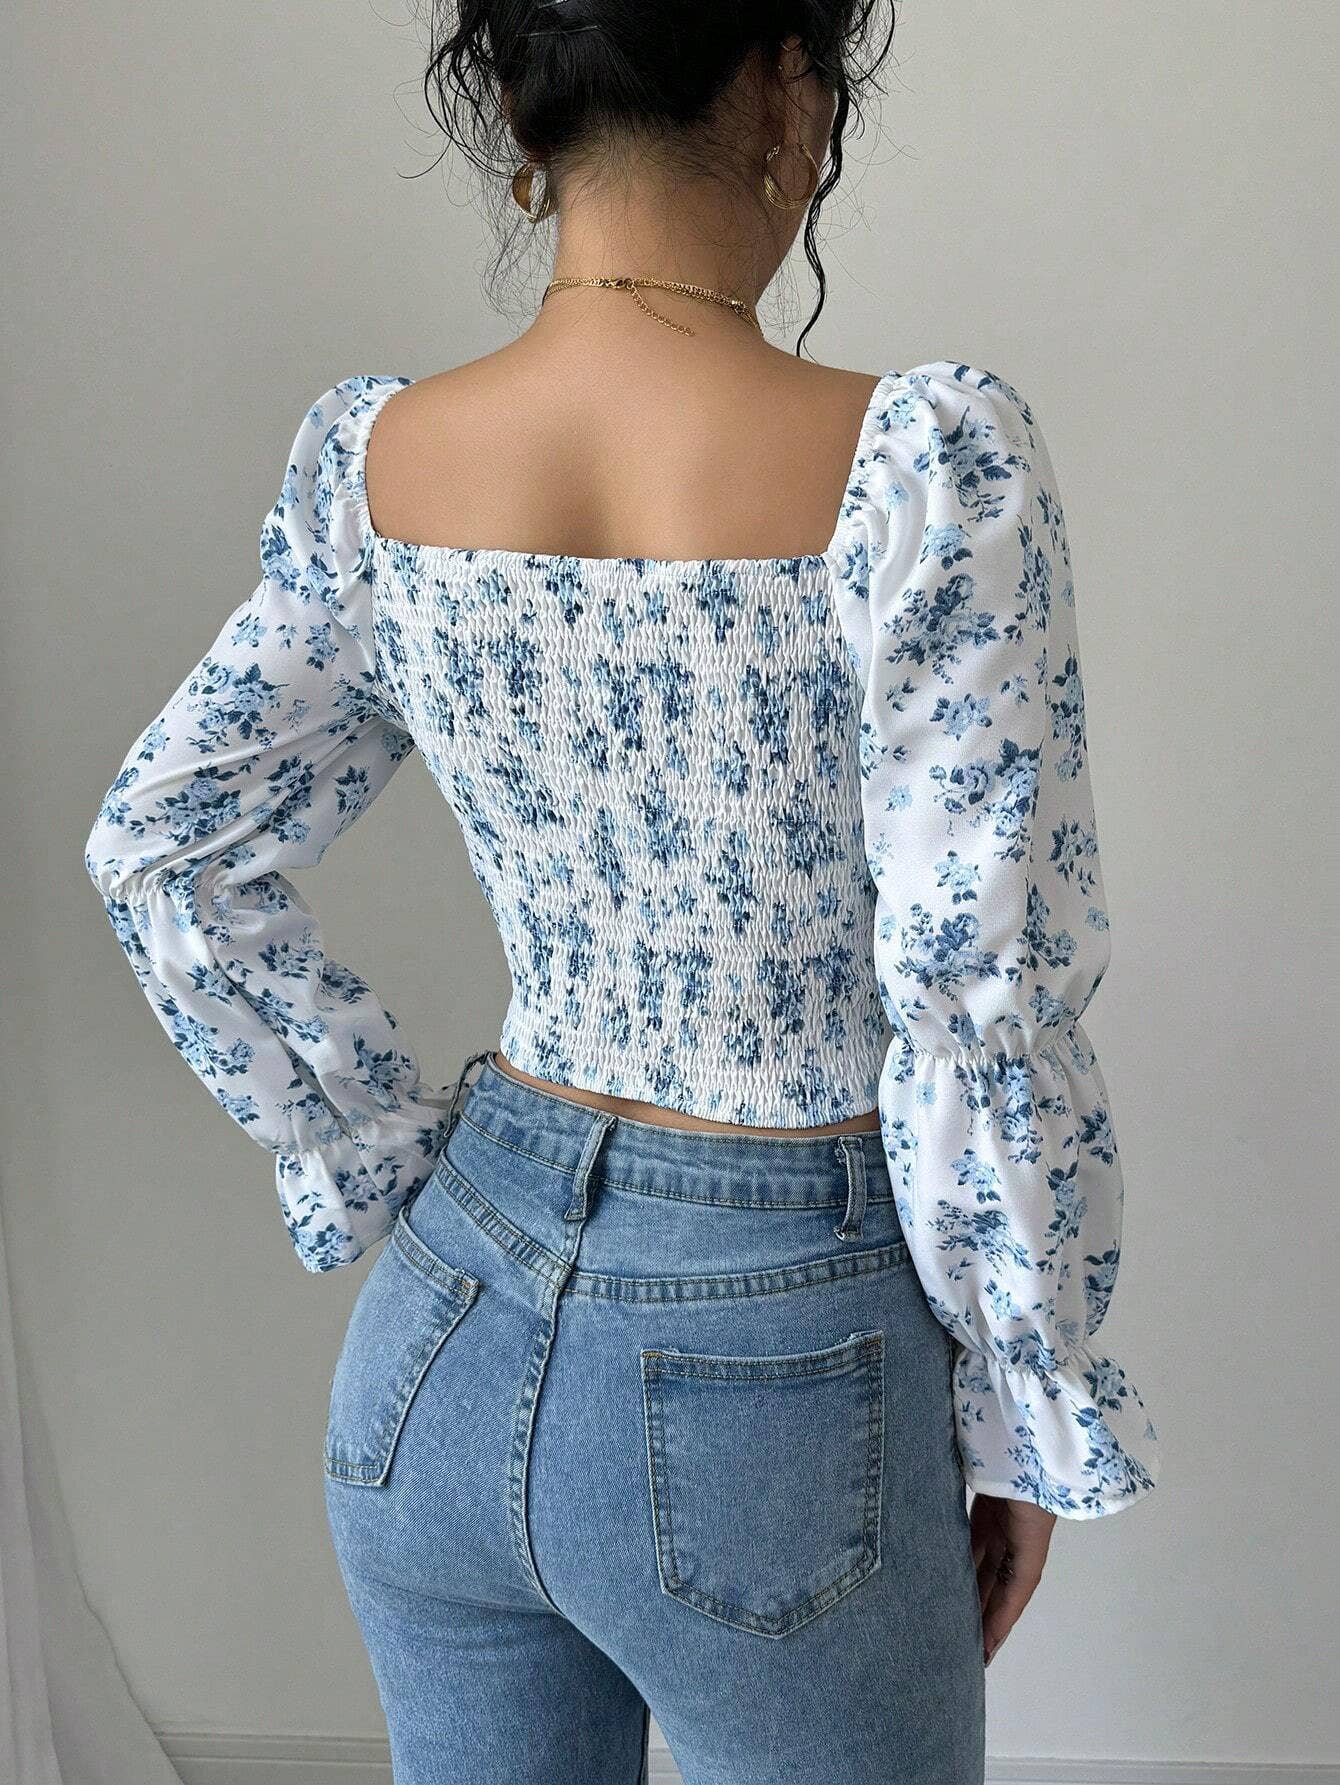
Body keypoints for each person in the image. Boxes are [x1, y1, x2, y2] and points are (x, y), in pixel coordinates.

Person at [82, 4, 1160, 1780]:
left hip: (439, 1336)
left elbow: (167, 843)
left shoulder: (377, 462)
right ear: (789, 83)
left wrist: (372, 1152)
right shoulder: (923, 465)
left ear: (519, 112)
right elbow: (984, 987)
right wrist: (1016, 1385)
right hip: (780, 1361)